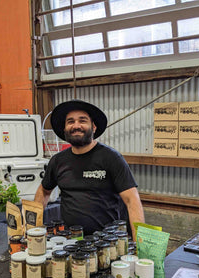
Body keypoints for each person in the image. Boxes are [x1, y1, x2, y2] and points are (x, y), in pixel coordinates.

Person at [34, 100, 144, 239]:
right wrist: (34, 228)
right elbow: (44, 191)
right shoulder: (57, 161)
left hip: (107, 243)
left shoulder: (111, 158)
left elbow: (132, 200)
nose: (76, 126)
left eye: (82, 120)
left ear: (93, 127)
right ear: (64, 128)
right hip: (71, 241)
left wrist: (138, 243)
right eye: (70, 121)